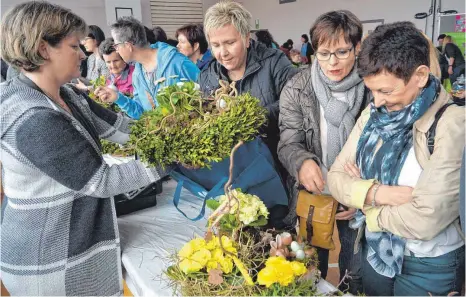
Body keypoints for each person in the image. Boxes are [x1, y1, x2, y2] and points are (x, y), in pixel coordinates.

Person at [0, 2, 171, 295]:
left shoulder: (66, 93)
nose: (82, 54)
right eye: (73, 46)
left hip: (69, 241)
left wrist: (175, 130)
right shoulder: (32, 117)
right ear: (44, 50)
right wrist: (171, 158)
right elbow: (100, 181)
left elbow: (121, 128)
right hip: (49, 259)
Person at [328, 21, 465, 296]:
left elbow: (425, 219)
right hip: (376, 253)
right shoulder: (372, 117)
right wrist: (382, 193)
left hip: (428, 264)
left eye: (386, 91)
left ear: (421, 75)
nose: (376, 101)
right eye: (372, 90)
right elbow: (335, 178)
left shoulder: (453, 124)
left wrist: (365, 205)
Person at [278, 10, 370, 294]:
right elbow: (288, 141)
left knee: (355, 270)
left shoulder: (372, 86)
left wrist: (364, 191)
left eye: (342, 52)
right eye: (324, 53)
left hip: (356, 196)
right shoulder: (297, 86)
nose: (333, 62)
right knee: (310, 265)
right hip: (314, 192)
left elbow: (382, 146)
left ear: (357, 48)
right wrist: (302, 162)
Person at [199, 0, 298, 182]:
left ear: (246, 38)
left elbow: (295, 103)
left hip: (276, 166)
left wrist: (250, 118)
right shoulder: (208, 75)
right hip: (231, 171)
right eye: (216, 45)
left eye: (229, 42)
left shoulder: (274, 62)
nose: (223, 53)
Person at [93, 17, 199, 119]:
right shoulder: (138, 74)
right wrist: (117, 98)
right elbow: (142, 114)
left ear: (128, 46)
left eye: (117, 46)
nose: (117, 50)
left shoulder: (176, 62)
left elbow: (205, 93)